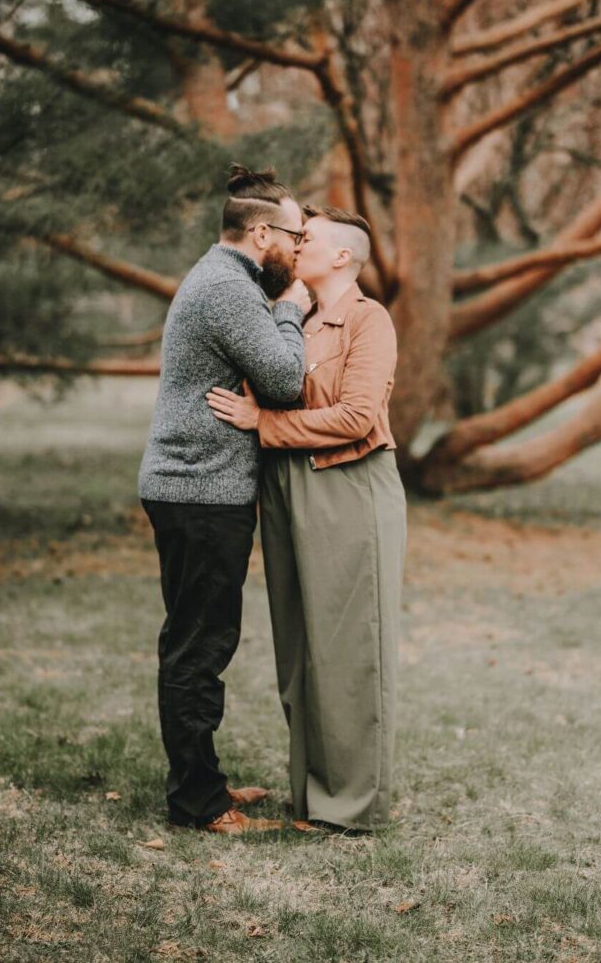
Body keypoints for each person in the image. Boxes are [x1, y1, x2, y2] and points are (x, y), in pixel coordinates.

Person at [206, 204, 406, 831]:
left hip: (350, 486)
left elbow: (356, 417)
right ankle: (313, 792)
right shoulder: (291, 318)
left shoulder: (368, 321)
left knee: (350, 648)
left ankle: (353, 805)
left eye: (309, 238)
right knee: (300, 648)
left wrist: (263, 423)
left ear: (341, 256)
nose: (296, 244)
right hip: (286, 486)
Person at [138, 164, 312, 835]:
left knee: (202, 640)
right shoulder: (228, 291)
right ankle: (196, 803)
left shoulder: (223, 282)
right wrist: (292, 310)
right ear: (261, 232)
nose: (298, 253)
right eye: (295, 238)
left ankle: (202, 781)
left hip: (197, 486)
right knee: (198, 647)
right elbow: (284, 381)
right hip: (199, 491)